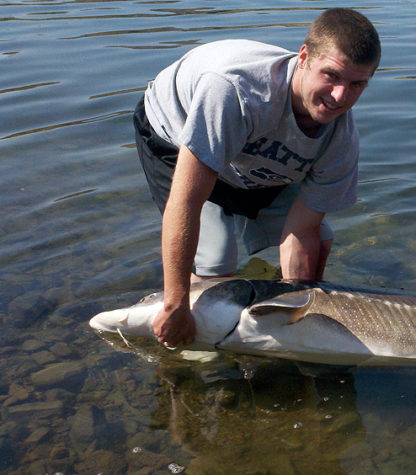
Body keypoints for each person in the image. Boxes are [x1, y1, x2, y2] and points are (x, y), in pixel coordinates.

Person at [133, 8, 381, 347]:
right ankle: (200, 341)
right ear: (304, 57)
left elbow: (302, 231)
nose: (340, 97)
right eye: (331, 76)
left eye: (356, 84)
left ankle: (267, 324)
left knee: (320, 241)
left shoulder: (340, 141)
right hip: (177, 136)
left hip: (254, 156)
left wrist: (297, 314)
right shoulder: (235, 91)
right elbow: (186, 201)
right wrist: (176, 304)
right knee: (216, 258)